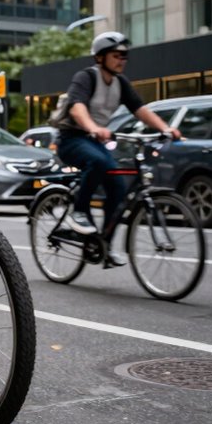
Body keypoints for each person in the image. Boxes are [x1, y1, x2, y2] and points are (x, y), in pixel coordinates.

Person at [55, 31, 181, 267]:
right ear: (100, 57)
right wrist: (93, 127)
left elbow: (140, 110)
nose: (122, 59)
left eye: (125, 56)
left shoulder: (120, 83)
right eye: (117, 55)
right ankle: (78, 212)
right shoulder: (86, 77)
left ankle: (104, 245)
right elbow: (76, 108)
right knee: (100, 163)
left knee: (118, 189)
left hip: (94, 141)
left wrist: (166, 128)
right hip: (71, 139)